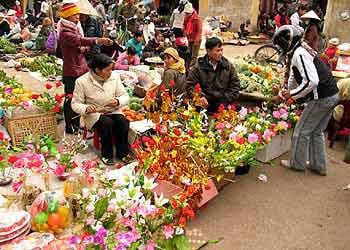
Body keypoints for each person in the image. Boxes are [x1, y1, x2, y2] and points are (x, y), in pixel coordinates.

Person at [272, 25, 339, 176]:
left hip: (321, 97)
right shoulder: (301, 49)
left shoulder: (299, 53)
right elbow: (294, 78)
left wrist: (293, 95)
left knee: (300, 131)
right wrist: (286, 94)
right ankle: (318, 166)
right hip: (331, 94)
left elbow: (311, 82)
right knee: (317, 132)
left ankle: (297, 164)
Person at [58, 2, 112, 134]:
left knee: (79, 99)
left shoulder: (75, 28)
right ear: (68, 16)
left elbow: (80, 45)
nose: (78, 16)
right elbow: (79, 41)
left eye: (78, 13)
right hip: (72, 70)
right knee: (71, 100)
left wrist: (83, 48)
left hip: (80, 67)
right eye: (74, 14)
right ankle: (71, 127)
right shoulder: (65, 31)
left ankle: (76, 124)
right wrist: (98, 40)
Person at [72, 54, 130, 165]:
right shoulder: (82, 81)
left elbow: (124, 95)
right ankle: (107, 155)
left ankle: (122, 153)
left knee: (123, 122)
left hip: (113, 110)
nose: (111, 72)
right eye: (107, 70)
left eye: (111, 69)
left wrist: (118, 101)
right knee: (107, 123)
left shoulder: (114, 77)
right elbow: (75, 104)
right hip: (94, 114)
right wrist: (87, 108)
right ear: (97, 70)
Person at [186, 37, 240, 113]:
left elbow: (235, 86)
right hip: (204, 102)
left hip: (223, 101)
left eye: (221, 50)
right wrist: (200, 97)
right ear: (208, 51)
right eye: (217, 51)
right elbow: (190, 85)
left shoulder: (227, 66)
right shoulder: (198, 67)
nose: (220, 53)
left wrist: (226, 99)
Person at [183, 3, 202, 68]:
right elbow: (184, 24)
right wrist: (184, 30)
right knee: (189, 53)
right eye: (186, 13)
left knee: (194, 55)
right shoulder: (186, 18)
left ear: (191, 12)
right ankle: (188, 67)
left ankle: (192, 68)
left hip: (196, 39)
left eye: (188, 13)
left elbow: (199, 31)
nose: (186, 15)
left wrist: (197, 40)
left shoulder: (197, 19)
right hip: (189, 38)